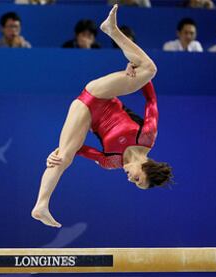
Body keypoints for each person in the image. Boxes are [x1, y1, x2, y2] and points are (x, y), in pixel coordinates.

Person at [32, 4, 173, 228]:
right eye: (137, 179)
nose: (130, 179)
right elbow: (151, 101)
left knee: (63, 157)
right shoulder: (147, 136)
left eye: (133, 183)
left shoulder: (111, 162)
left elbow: (81, 150)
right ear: (146, 167)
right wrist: (137, 74)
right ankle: (112, 29)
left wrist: (60, 150)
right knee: (150, 69)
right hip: (102, 94)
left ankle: (41, 205)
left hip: (84, 111)